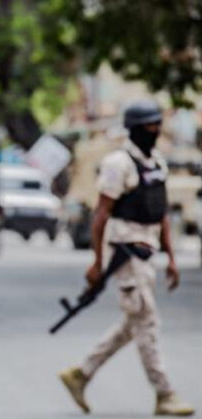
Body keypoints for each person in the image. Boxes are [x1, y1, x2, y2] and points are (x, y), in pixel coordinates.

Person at [59, 101, 195, 416]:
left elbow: (159, 212)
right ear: (135, 128)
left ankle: (81, 373)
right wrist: (96, 262)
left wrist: (171, 257)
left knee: (133, 322)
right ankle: (165, 393)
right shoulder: (118, 164)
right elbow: (101, 215)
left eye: (157, 125)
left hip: (147, 253)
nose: (155, 131)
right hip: (124, 253)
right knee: (146, 321)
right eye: (149, 126)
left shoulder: (156, 162)